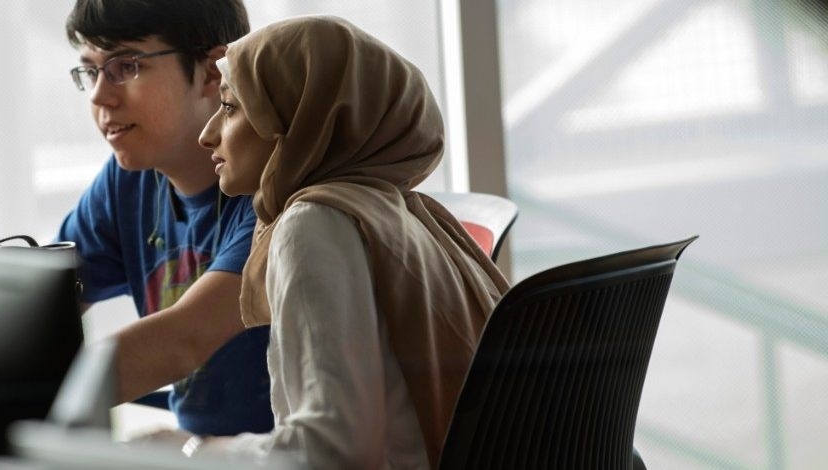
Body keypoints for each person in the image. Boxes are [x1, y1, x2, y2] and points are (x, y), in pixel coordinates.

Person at [194, 16, 510, 469]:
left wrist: (194, 451)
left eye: (229, 107)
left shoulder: (313, 224)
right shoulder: (401, 212)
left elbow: (330, 450)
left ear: (302, 117)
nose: (207, 134)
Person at [55, 0, 274, 437]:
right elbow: (48, 297)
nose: (100, 95)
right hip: (204, 450)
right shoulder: (127, 181)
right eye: (90, 71)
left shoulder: (274, 191)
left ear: (213, 71)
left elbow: (183, 339)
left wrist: (30, 390)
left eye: (125, 66)